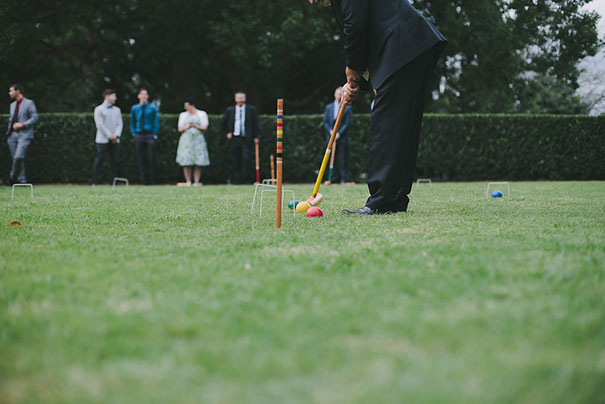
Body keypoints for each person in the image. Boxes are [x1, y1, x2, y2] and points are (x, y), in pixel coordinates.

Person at [308, 0, 447, 215]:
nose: (311, 1)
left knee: (387, 123)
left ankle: (382, 201)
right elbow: (368, 30)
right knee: (401, 127)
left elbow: (356, 27)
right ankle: (394, 199)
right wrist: (356, 81)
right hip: (410, 46)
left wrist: (352, 68)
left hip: (401, 46)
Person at [221, 92, 261, 184]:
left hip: (246, 138)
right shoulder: (230, 110)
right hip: (234, 138)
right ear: (235, 99)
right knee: (235, 159)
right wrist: (227, 133)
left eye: (242, 98)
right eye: (238, 98)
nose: (240, 100)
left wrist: (257, 136)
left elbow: (256, 124)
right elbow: (223, 123)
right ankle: (236, 179)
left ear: (245, 99)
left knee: (246, 159)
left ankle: (245, 179)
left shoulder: (251, 110)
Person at [6, 84, 38, 185]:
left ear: (18, 91)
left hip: (24, 135)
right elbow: (11, 120)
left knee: (18, 157)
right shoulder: (12, 105)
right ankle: (22, 180)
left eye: (11, 91)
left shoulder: (29, 103)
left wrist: (22, 125)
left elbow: (35, 118)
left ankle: (12, 177)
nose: (9, 93)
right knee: (16, 159)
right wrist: (8, 133)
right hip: (12, 136)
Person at [176, 99, 210, 186]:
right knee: (186, 160)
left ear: (192, 105)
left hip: (198, 140)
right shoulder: (183, 115)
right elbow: (180, 129)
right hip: (186, 140)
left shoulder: (202, 114)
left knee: (198, 160)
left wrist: (195, 125)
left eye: (187, 106)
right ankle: (188, 181)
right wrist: (188, 126)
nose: (186, 108)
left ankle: (196, 181)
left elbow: (204, 127)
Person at [92, 89, 123, 185]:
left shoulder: (117, 110)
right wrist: (109, 136)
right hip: (102, 139)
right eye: (114, 96)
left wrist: (116, 135)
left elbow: (120, 124)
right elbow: (99, 125)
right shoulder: (99, 109)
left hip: (114, 140)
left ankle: (112, 182)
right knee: (100, 159)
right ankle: (95, 181)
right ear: (107, 96)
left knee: (113, 160)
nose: (115, 98)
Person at [323, 86, 353, 184]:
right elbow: (325, 122)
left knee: (343, 158)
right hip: (330, 137)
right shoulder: (328, 107)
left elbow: (347, 123)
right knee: (331, 158)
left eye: (341, 94)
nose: (339, 96)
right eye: (337, 94)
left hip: (342, 137)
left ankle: (344, 179)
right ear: (334, 94)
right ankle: (332, 178)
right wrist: (331, 132)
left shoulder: (347, 108)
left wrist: (339, 133)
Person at [130, 88, 159, 185]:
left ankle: (153, 180)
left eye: (145, 94)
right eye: (142, 94)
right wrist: (134, 133)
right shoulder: (134, 108)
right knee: (141, 159)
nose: (143, 96)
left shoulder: (153, 108)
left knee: (151, 158)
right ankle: (144, 180)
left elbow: (155, 121)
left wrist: (154, 133)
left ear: (147, 96)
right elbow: (132, 122)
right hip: (139, 135)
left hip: (149, 135)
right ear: (138, 96)